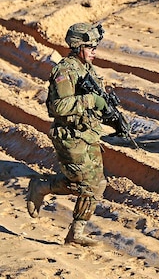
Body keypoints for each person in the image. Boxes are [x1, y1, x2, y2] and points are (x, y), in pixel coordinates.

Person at [26, 22, 110, 246]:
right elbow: (58, 107)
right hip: (70, 137)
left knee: (98, 184)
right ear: (78, 46)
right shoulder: (65, 70)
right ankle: (42, 187)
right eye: (91, 47)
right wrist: (92, 100)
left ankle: (75, 233)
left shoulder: (86, 68)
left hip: (88, 134)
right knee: (86, 185)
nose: (95, 51)